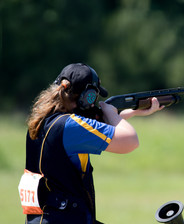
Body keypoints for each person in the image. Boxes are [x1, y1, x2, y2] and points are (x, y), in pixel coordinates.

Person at [18, 63, 164, 224]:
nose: (94, 103)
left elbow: (95, 129)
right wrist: (110, 113)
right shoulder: (71, 125)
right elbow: (130, 140)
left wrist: (131, 111)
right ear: (87, 96)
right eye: (94, 98)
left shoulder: (43, 122)